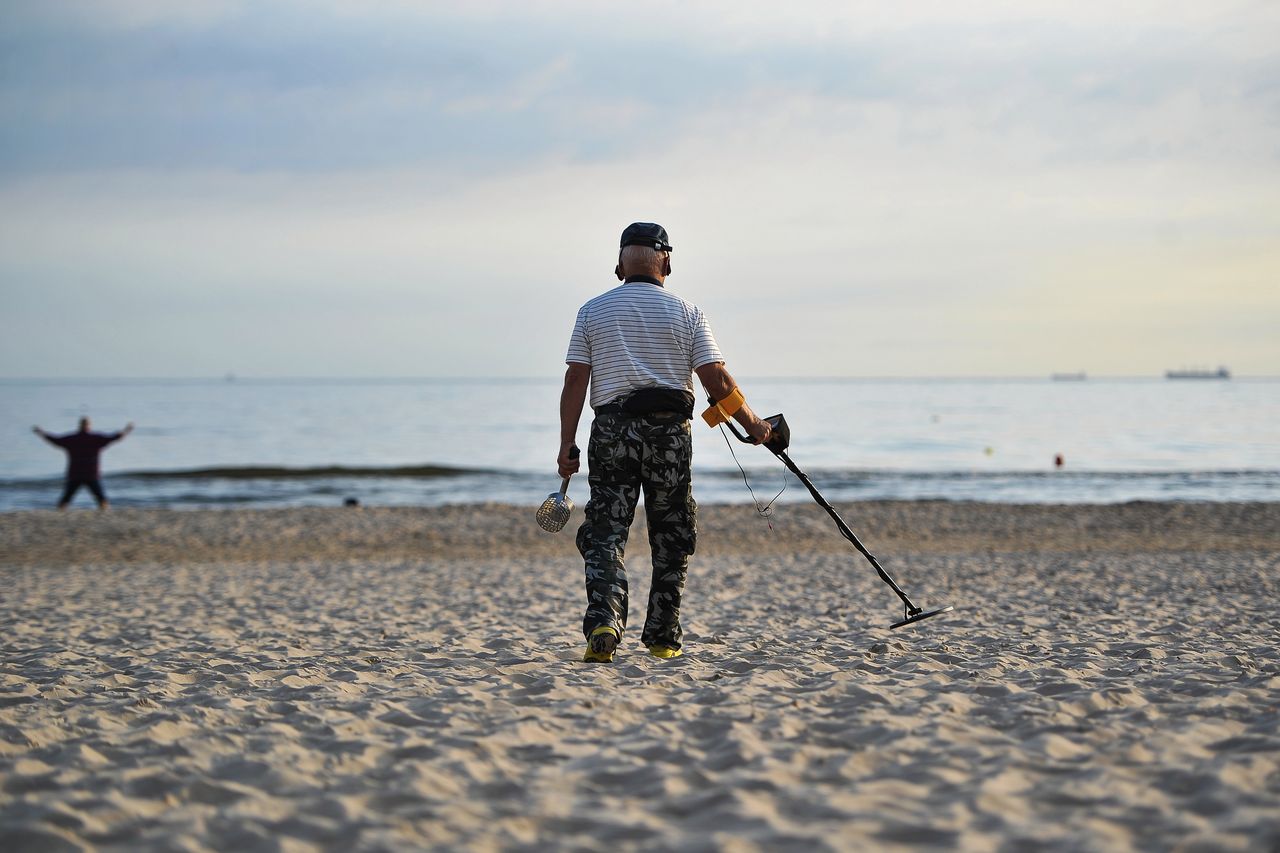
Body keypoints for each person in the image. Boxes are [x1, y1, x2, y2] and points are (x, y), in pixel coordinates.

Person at [558, 222, 772, 663]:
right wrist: (756, 426)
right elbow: (716, 380)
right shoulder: (689, 312)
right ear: (667, 263)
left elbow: (576, 379)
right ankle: (662, 636)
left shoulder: (592, 312)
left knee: (606, 529)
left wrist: (567, 445)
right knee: (672, 531)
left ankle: (605, 619)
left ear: (619, 265)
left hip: (612, 431)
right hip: (670, 435)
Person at [33, 417, 134, 509]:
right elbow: (114, 438)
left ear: (79, 426)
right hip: (90, 474)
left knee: (67, 498)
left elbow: (55, 440)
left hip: (76, 474)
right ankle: (105, 511)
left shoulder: (73, 439)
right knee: (100, 498)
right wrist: (127, 430)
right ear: (89, 426)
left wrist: (41, 433)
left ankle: (60, 511)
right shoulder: (94, 438)